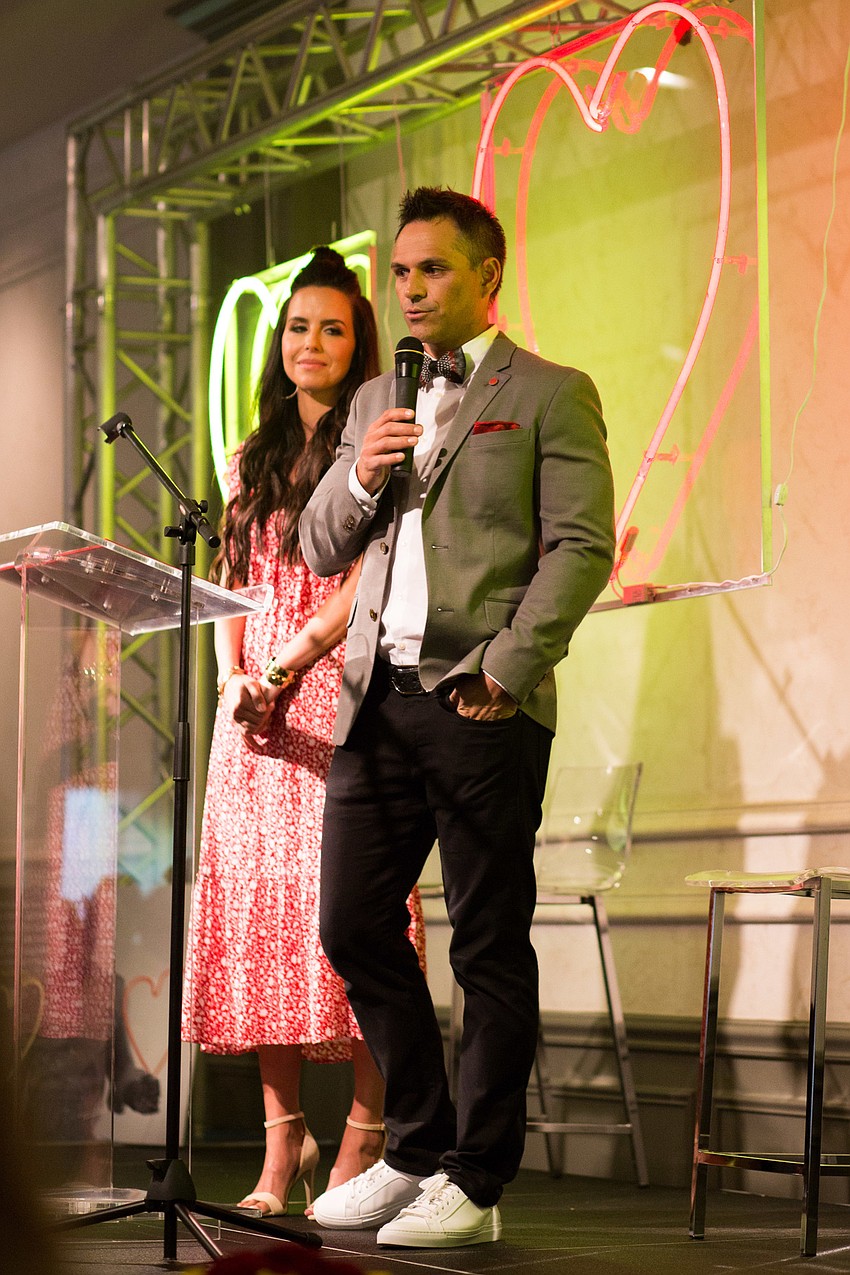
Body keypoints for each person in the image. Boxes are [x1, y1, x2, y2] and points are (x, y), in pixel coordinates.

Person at [299, 188, 616, 1248]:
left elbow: (579, 547)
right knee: (350, 923)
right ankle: (415, 1144)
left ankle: (474, 1181)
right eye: (399, 272)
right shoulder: (369, 405)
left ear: (487, 273)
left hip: (478, 700)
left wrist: (510, 669)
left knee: (486, 944)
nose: (410, 290)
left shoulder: (551, 393)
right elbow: (318, 546)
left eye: (431, 270)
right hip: (371, 705)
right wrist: (361, 467)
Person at [182, 246, 426, 1218]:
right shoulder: (245, 459)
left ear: (358, 344)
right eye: (297, 327)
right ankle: (282, 1152)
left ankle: (363, 1142)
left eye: (331, 328)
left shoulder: (375, 448)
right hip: (253, 717)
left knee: (356, 923)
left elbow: (364, 581)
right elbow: (226, 588)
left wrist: (288, 669)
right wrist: (234, 677)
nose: (310, 343)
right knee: (260, 929)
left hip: (343, 698)